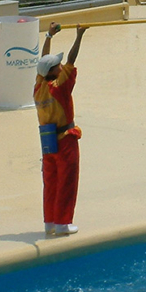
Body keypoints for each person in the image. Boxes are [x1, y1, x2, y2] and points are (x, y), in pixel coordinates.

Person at [34, 22, 87, 237]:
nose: (60, 65)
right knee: (67, 181)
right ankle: (63, 223)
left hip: (48, 143)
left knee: (51, 182)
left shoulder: (38, 87)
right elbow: (72, 60)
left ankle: (50, 223)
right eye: (57, 65)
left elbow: (42, 63)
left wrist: (49, 36)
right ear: (54, 72)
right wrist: (79, 35)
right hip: (65, 140)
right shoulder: (60, 87)